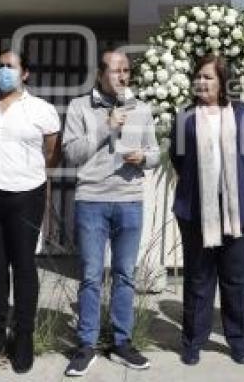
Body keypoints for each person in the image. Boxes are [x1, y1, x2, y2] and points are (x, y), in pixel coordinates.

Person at [62, 49, 160, 377]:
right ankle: (86, 344)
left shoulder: (142, 109)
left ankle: (122, 342)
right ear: (100, 74)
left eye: (127, 71)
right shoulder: (79, 106)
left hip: (130, 200)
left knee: (125, 275)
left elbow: (156, 153)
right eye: (116, 71)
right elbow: (72, 153)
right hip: (91, 199)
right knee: (90, 274)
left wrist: (143, 158)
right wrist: (106, 126)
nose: (122, 77)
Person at [0, 50, 61, 374]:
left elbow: (51, 153)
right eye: (0, 65)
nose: (4, 71)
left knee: (23, 266)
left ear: (25, 73)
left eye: (11, 66)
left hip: (25, 195)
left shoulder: (42, 111)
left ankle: (23, 338)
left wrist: (25, 172)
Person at [169, 54, 244, 366]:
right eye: (198, 77)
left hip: (238, 209)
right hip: (196, 209)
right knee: (198, 277)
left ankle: (238, 341)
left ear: (223, 81)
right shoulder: (185, 117)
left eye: (208, 77)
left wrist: (230, 185)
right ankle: (193, 341)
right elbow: (179, 159)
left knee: (236, 279)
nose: (201, 82)